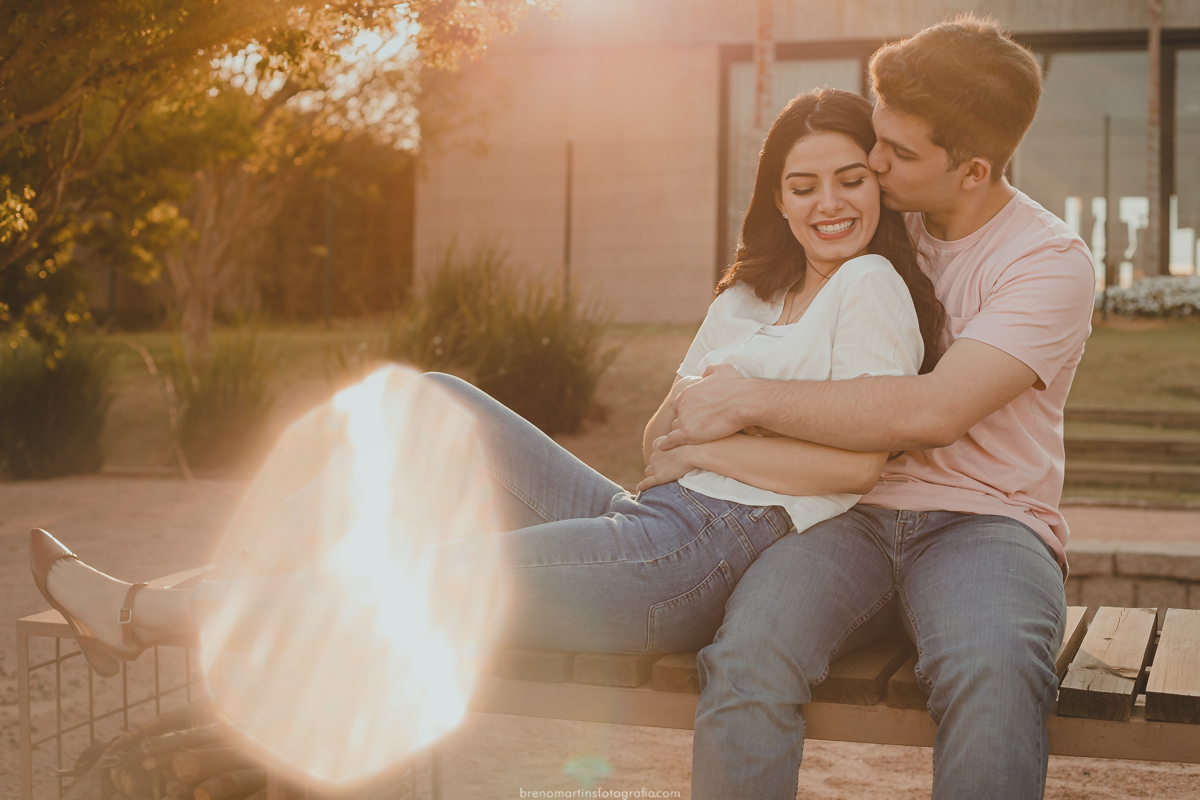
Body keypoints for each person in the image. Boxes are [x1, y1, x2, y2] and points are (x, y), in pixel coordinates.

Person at [30, 90, 946, 683]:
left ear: (878, 186)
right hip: (653, 514)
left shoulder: (872, 286)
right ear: (777, 196)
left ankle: (149, 614)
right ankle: (250, 579)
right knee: (430, 400)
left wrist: (711, 441)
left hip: (697, 556)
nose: (832, 203)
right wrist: (695, 444)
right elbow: (657, 442)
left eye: (851, 179)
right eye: (806, 183)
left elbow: (855, 465)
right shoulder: (755, 290)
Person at [670, 17, 1096, 800]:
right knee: (749, 655)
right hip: (842, 514)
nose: (871, 161)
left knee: (996, 671)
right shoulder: (873, 213)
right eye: (879, 134)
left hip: (985, 525)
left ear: (971, 171)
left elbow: (933, 411)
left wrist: (748, 400)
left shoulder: (1047, 263)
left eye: (897, 153)